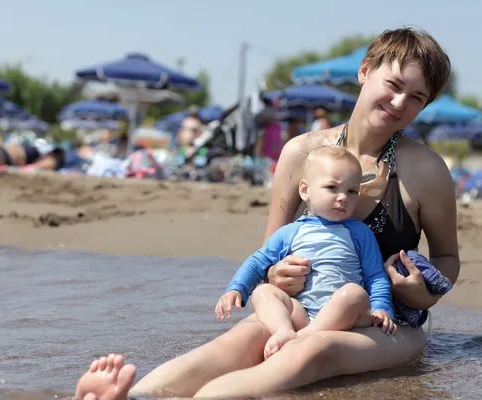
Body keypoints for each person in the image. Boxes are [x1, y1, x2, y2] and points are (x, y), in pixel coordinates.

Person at [75, 27, 459, 400]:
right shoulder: (300, 153)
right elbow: (270, 255)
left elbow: (447, 258)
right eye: (393, 85)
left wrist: (421, 293)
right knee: (241, 338)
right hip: (300, 308)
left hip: (386, 322)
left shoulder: (426, 171)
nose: (398, 103)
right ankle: (135, 395)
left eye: (416, 98)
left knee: (313, 351)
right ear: (365, 71)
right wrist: (277, 274)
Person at [215, 145, 396, 361]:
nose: (343, 198)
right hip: (301, 312)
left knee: (353, 293)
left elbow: (375, 276)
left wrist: (382, 308)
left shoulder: (359, 232)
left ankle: (305, 337)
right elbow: (258, 261)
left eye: (351, 191)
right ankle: (284, 330)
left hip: (346, 316)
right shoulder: (290, 232)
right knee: (263, 293)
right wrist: (236, 288)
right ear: (305, 190)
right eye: (332, 187)